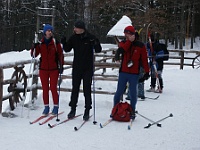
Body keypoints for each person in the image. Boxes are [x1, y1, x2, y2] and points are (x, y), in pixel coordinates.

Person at [61, 20, 102, 121]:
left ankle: (87, 109)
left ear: (81, 29)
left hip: (87, 68)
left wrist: (96, 43)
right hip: (77, 67)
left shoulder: (90, 37)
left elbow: (98, 50)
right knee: (75, 88)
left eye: (76, 28)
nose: (74, 29)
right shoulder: (74, 37)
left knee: (87, 89)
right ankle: (73, 109)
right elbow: (67, 49)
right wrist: (63, 42)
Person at [113, 25, 150, 120]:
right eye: (126, 34)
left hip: (134, 73)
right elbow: (123, 49)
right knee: (119, 92)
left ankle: (132, 110)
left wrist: (147, 72)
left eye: (129, 34)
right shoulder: (123, 43)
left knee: (133, 93)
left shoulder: (140, 46)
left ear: (133, 34)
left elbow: (144, 60)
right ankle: (115, 109)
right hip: (123, 72)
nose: (127, 36)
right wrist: (129, 41)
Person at [30, 24, 64, 116]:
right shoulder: (41, 43)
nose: (49, 32)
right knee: (45, 89)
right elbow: (34, 55)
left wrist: (61, 66)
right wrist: (34, 46)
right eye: (48, 30)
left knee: (53, 88)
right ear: (44, 32)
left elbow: (61, 55)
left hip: (54, 69)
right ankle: (46, 107)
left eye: (51, 31)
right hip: (43, 69)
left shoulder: (55, 43)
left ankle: (56, 107)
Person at [126, 31, 146, 100]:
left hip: (135, 65)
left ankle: (131, 95)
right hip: (136, 65)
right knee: (139, 80)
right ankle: (140, 94)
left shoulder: (136, 45)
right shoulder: (137, 45)